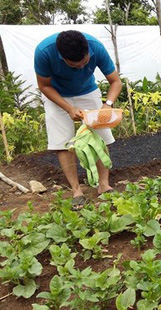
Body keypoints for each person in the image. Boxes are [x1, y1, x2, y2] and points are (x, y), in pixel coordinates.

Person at [34, 30, 122, 210]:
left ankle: (104, 185)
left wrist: (108, 105)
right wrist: (68, 108)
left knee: (102, 135)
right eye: (74, 65)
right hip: (57, 95)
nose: (81, 67)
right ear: (62, 58)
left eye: (85, 62)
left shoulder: (95, 46)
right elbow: (44, 86)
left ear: (88, 51)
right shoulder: (44, 52)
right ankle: (76, 191)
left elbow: (116, 82)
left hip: (87, 91)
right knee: (63, 142)